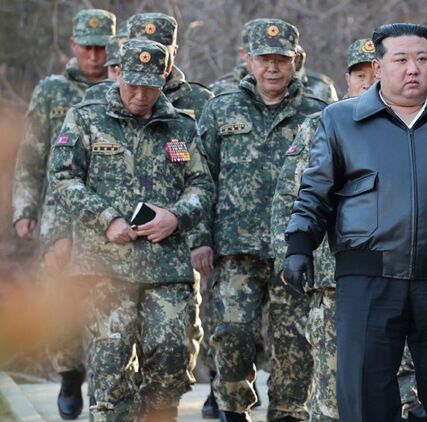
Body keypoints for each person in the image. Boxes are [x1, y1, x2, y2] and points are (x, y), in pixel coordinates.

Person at [284, 23, 427, 422]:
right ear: (378, 66)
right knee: (363, 389)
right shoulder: (340, 120)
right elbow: (315, 191)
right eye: (401, 59)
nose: (413, 69)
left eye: (422, 59)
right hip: (368, 276)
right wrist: (299, 244)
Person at [48, 39, 214, 421]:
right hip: (105, 265)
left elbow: (202, 186)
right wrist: (107, 220)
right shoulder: (86, 117)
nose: (140, 95)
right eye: (133, 85)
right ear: (118, 73)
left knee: (172, 354)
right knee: (111, 362)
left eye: (150, 86)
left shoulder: (182, 126)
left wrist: (176, 216)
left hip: (166, 266)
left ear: (165, 78)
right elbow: (63, 176)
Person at [270, 37, 425, 422]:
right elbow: (288, 198)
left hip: (399, 280)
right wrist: (288, 255)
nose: (367, 82)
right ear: (347, 79)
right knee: (333, 390)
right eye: (359, 75)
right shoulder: (320, 126)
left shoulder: (414, 127)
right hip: (333, 282)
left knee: (402, 386)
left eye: (375, 73)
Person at [194, 18, 326, 422]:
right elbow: (200, 178)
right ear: (248, 60)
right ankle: (233, 408)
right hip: (235, 248)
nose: (272, 68)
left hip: (296, 250)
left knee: (294, 342)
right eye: (264, 59)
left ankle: (288, 411)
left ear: (296, 61)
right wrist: (200, 237)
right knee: (232, 334)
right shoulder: (220, 108)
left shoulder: (319, 114)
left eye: (281, 59)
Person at [11, 9, 115, 420]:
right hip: (60, 206)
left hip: (110, 206)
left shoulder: (126, 85)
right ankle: (70, 372)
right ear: (73, 45)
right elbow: (31, 153)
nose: (95, 56)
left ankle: (110, 381)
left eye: (102, 48)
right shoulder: (52, 91)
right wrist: (24, 207)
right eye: (87, 47)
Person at [127, 12, 214, 121]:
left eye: (161, 53)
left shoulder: (200, 99)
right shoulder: (112, 98)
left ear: (174, 52)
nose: (153, 60)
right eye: (144, 53)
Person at [208, 21, 253, 95]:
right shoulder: (221, 89)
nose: (270, 66)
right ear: (243, 53)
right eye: (261, 57)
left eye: (272, 58)